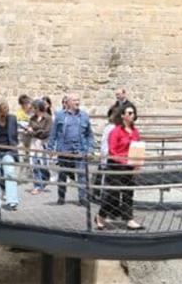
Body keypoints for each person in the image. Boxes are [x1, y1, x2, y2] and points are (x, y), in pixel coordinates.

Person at [98, 102, 144, 230]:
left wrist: (137, 164)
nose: (132, 115)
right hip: (116, 166)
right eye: (129, 113)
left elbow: (138, 147)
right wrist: (125, 161)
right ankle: (100, 216)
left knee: (128, 194)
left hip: (129, 166)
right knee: (112, 194)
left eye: (133, 113)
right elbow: (112, 151)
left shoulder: (135, 131)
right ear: (123, 115)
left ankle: (129, 219)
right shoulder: (116, 131)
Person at [47, 94, 94, 205]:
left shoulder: (84, 116)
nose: (77, 102)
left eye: (78, 100)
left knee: (82, 175)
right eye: (74, 100)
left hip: (80, 150)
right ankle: (61, 197)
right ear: (68, 103)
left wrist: (90, 150)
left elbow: (89, 135)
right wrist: (50, 148)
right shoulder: (60, 116)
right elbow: (53, 133)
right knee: (63, 175)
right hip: (64, 150)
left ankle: (83, 199)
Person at [25, 98, 52, 193]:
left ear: (37, 108)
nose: (32, 110)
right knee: (34, 164)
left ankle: (45, 179)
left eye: (33, 108)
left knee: (43, 164)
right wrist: (31, 131)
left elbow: (46, 133)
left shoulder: (47, 118)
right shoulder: (32, 118)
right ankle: (37, 186)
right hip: (34, 143)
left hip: (43, 143)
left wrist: (34, 132)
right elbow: (29, 130)